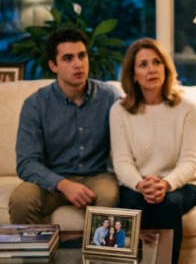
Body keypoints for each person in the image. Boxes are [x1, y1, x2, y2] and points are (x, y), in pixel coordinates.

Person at [9, 28, 121, 224]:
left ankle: (98, 246)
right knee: (21, 200)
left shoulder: (109, 97)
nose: (78, 64)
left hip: (98, 176)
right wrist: (63, 184)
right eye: (68, 58)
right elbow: (26, 162)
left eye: (82, 56)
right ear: (53, 65)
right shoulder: (35, 105)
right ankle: (36, 247)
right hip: (51, 179)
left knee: (108, 198)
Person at [110, 38, 196, 264]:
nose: (151, 69)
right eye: (143, 65)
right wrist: (141, 184)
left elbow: (190, 161)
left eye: (156, 62)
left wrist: (166, 184)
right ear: (133, 75)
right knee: (132, 205)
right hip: (138, 183)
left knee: (167, 205)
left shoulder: (187, 108)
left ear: (165, 67)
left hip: (181, 184)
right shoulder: (120, 110)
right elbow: (121, 161)